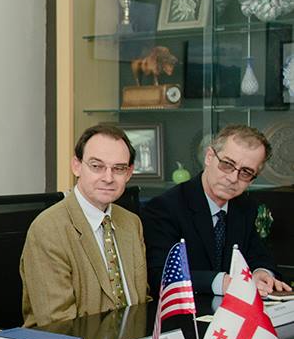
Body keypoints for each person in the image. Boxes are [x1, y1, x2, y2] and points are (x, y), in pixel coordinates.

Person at [20, 123, 148, 327]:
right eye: (97, 166)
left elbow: (141, 301)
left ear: (129, 173)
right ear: (77, 166)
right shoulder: (48, 230)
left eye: (118, 169)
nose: (108, 178)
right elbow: (57, 324)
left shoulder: (131, 223)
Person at [143, 124, 290, 297]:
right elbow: (159, 275)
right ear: (209, 157)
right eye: (227, 164)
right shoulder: (164, 208)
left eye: (246, 172)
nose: (233, 178)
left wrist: (261, 272)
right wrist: (222, 283)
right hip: (187, 310)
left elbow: (259, 256)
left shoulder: (246, 207)